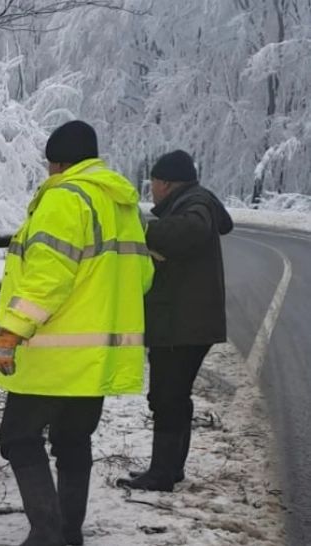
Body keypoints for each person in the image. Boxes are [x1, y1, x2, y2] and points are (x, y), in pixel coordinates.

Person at [0, 120, 154, 545]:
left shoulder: (65, 198)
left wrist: (10, 333)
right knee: (73, 440)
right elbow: (144, 276)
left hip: (53, 352)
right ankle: (68, 533)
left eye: (49, 166)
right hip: (97, 356)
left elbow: (48, 277)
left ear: (58, 163)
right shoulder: (122, 205)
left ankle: (48, 536)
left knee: (19, 438)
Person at [116, 150, 233, 492]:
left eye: (152, 182)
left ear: (166, 183)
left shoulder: (195, 203)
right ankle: (169, 469)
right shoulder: (195, 201)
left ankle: (162, 474)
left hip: (183, 324)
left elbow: (193, 229)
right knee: (174, 397)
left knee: (167, 397)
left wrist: (146, 231)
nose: (151, 189)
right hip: (186, 322)